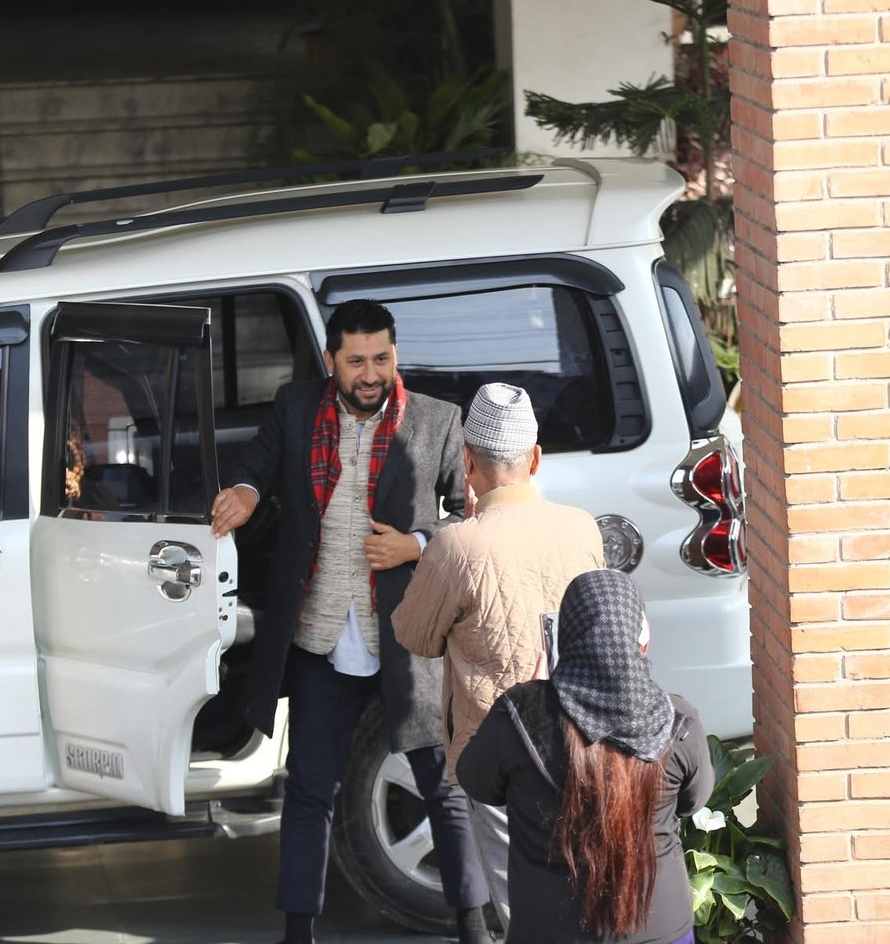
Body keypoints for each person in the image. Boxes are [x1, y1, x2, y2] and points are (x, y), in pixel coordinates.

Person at [210, 299, 492, 944]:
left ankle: (474, 929)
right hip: (320, 640)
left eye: (382, 359)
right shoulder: (295, 408)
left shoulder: (437, 420)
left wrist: (416, 544)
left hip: (408, 642)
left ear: (396, 355)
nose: (371, 374)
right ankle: (297, 932)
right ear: (331, 360)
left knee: (444, 788)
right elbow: (255, 466)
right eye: (357, 361)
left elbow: (470, 519)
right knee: (309, 790)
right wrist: (246, 492)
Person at [392, 381, 605, 927]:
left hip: (499, 750)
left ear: (467, 461)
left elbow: (413, 636)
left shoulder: (457, 544)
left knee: (519, 909)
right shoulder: (581, 527)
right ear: (535, 458)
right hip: (582, 740)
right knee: (585, 894)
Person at [458, 570, 713, 944]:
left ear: (565, 636)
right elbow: (694, 801)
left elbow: (476, 781)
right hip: (660, 927)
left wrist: (532, 693)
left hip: (549, 930)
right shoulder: (678, 721)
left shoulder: (518, 715)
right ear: (642, 639)